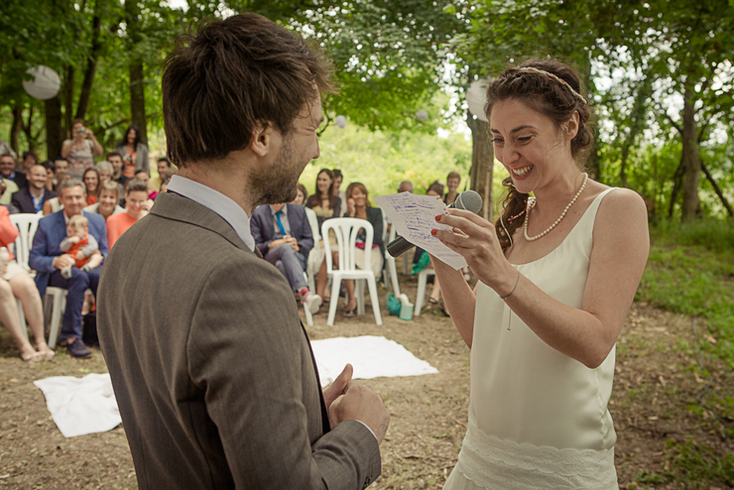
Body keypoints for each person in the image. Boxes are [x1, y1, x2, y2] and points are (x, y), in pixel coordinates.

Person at [97, 13, 388, 490]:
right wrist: (361, 436)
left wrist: (296, 408)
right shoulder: (237, 281)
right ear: (261, 136)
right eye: (312, 128)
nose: (316, 152)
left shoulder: (131, 247)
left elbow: (189, 418)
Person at [432, 60, 649, 489]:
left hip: (559, 470)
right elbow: (484, 336)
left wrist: (504, 276)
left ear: (569, 126)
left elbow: (595, 343)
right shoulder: (516, 219)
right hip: (481, 458)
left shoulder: (617, 208)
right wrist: (441, 258)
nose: (508, 155)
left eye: (523, 138)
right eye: (497, 139)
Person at [29, 179, 108, 359]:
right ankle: (71, 337)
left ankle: (106, 333)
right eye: (69, 197)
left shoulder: (96, 220)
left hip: (89, 266)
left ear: (85, 198)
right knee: (78, 277)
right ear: (61, 199)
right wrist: (55, 261)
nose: (74, 201)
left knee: (102, 277)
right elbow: (33, 259)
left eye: (78, 197)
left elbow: (105, 252)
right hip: (59, 273)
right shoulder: (47, 223)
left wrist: (96, 256)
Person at [0, 205, 55, 361]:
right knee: (2, 288)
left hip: (5, 262)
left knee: (27, 285)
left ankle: (40, 341)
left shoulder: (2, 210)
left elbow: (11, 236)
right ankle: (23, 344)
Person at [250, 202, 321, 314]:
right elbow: (255, 246)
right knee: (284, 249)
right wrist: (275, 244)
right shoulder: (258, 213)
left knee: (281, 265)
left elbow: (309, 240)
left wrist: (297, 245)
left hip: (296, 258)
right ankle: (305, 292)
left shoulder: (299, 211)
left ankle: (284, 309)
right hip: (270, 257)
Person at [341, 182, 384, 316]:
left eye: (362, 193)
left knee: (343, 255)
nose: (360, 196)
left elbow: (377, 237)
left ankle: (351, 299)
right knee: (342, 255)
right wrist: (352, 215)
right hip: (352, 254)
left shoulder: (375, 213)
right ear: (350, 197)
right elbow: (346, 239)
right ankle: (352, 298)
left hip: (372, 253)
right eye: (356, 193)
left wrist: (361, 237)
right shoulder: (346, 216)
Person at [105, 178, 149, 249]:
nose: (137, 205)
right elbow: (113, 250)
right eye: (133, 200)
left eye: (141, 201)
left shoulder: (149, 220)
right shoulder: (113, 220)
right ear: (126, 197)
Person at [59, 214, 103, 279]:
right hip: (73, 258)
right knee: (66, 260)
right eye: (69, 231)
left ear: (85, 230)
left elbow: (94, 246)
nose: (72, 234)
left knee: (97, 257)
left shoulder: (88, 237)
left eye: (75, 231)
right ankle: (66, 270)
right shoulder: (69, 239)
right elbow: (62, 248)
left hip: (86, 259)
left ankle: (88, 267)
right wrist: (69, 241)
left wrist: (84, 252)